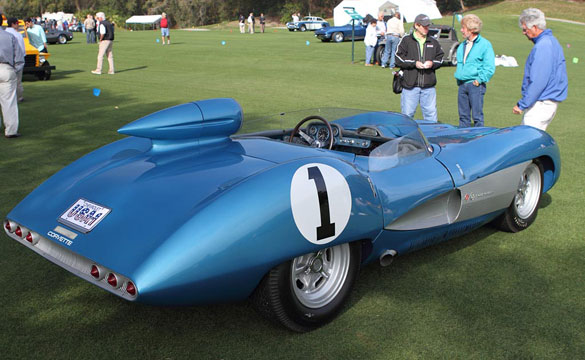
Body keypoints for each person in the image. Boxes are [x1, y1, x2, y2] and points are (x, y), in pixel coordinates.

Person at [513, 8, 568, 131]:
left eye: (525, 29)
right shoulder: (551, 41)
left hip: (541, 104)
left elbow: (539, 80)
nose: (523, 33)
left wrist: (522, 104)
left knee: (526, 140)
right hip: (546, 103)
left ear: (535, 27)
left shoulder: (543, 46)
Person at [395, 14, 444, 122]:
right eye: (424, 26)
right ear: (417, 25)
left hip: (429, 87)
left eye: (428, 26)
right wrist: (414, 63)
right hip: (410, 86)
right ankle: (406, 138)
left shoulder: (433, 41)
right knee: (407, 116)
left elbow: (440, 58)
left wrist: (432, 63)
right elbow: (398, 58)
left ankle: (430, 137)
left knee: (431, 116)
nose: (427, 28)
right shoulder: (406, 40)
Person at [454, 14, 495, 128]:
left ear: (471, 29)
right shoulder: (463, 45)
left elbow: (489, 66)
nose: (461, 30)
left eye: (463, 27)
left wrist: (479, 80)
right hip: (462, 84)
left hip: (475, 85)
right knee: (463, 117)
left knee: (477, 117)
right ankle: (464, 140)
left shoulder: (485, 45)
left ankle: (478, 141)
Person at [0, 22, 24, 138]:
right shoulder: (10, 36)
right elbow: (19, 58)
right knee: (9, 101)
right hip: (6, 68)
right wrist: (14, 70)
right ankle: (11, 131)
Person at [5, 17, 25, 102]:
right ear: (13, 24)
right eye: (17, 23)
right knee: (17, 82)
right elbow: (22, 50)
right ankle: (18, 97)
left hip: (5, 62)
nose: (18, 25)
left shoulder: (4, 33)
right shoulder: (18, 35)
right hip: (16, 61)